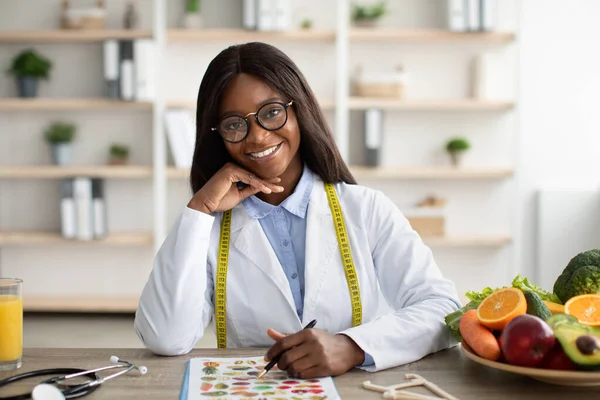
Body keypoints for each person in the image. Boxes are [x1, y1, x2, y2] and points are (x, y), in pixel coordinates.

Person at [134, 41, 461, 378]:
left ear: (300, 108)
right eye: (234, 124)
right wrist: (199, 208)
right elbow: (165, 338)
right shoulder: (208, 227)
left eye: (272, 112)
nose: (258, 137)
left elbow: (444, 311)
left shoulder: (366, 209)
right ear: (218, 136)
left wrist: (352, 347)